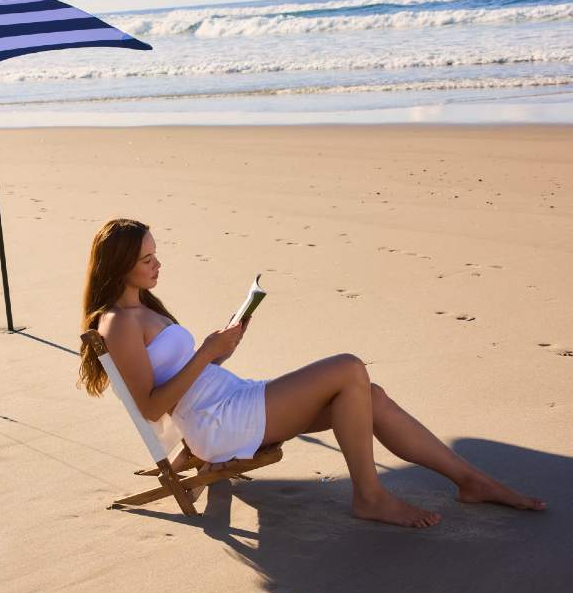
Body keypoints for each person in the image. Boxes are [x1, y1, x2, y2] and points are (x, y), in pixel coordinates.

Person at [78, 218, 546, 529]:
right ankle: (369, 497)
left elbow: (182, 377)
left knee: (371, 396)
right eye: (147, 259)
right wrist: (206, 353)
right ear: (121, 265)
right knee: (348, 367)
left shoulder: (143, 308)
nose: (158, 264)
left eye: (156, 254)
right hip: (220, 423)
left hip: (232, 401)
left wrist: (222, 350)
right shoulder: (118, 323)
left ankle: (470, 480)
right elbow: (151, 407)